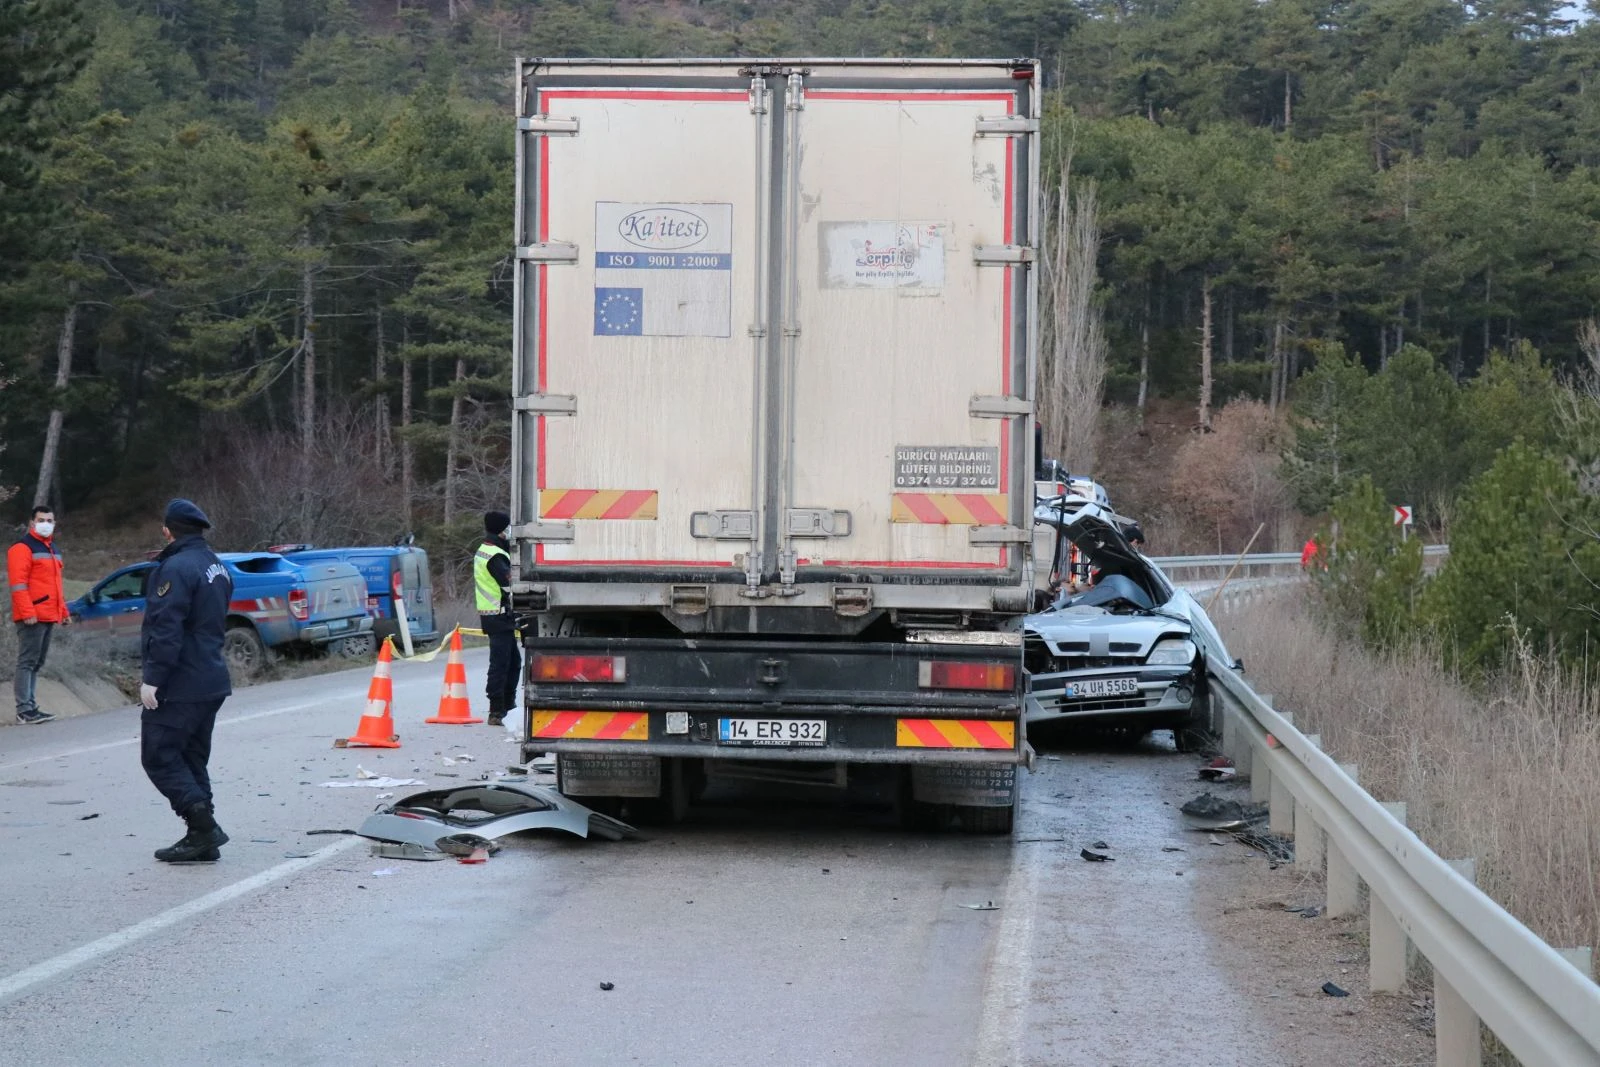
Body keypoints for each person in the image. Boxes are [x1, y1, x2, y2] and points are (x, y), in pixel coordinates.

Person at [139, 499, 234, 863]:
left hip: (182, 680)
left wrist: (153, 678)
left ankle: (203, 828)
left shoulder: (176, 568)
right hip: (211, 675)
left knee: (159, 756)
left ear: (168, 531)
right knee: (192, 759)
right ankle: (202, 838)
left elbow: (166, 628)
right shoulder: (216, 565)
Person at [8, 505, 70, 724]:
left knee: (36, 662)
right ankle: (24, 709)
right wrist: (27, 612)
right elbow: (18, 584)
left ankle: (30, 706)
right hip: (32, 614)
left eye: (49, 520)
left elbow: (56, 585)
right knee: (27, 661)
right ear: (32, 523)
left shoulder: (52, 549)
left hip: (47, 613)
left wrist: (63, 611)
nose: (46, 524)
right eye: (41, 520)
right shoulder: (22, 548)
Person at [475, 510, 519, 727]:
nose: (509, 530)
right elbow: (509, 582)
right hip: (497, 614)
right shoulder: (495, 555)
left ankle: (508, 707)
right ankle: (497, 710)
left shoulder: (490, 549)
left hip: (497, 615)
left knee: (513, 663)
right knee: (501, 664)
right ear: (501, 530)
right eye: (507, 527)